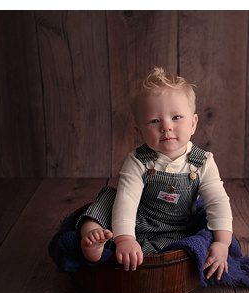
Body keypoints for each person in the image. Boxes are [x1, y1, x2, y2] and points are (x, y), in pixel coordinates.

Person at [77, 67, 232, 281]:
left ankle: (132, 247)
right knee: (109, 197)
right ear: (140, 131)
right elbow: (127, 201)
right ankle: (92, 235)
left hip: (177, 228)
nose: (166, 127)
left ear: (194, 123)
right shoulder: (138, 160)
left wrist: (222, 243)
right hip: (136, 220)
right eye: (154, 121)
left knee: (203, 229)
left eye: (176, 117)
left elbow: (217, 201)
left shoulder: (203, 161)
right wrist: (125, 239)